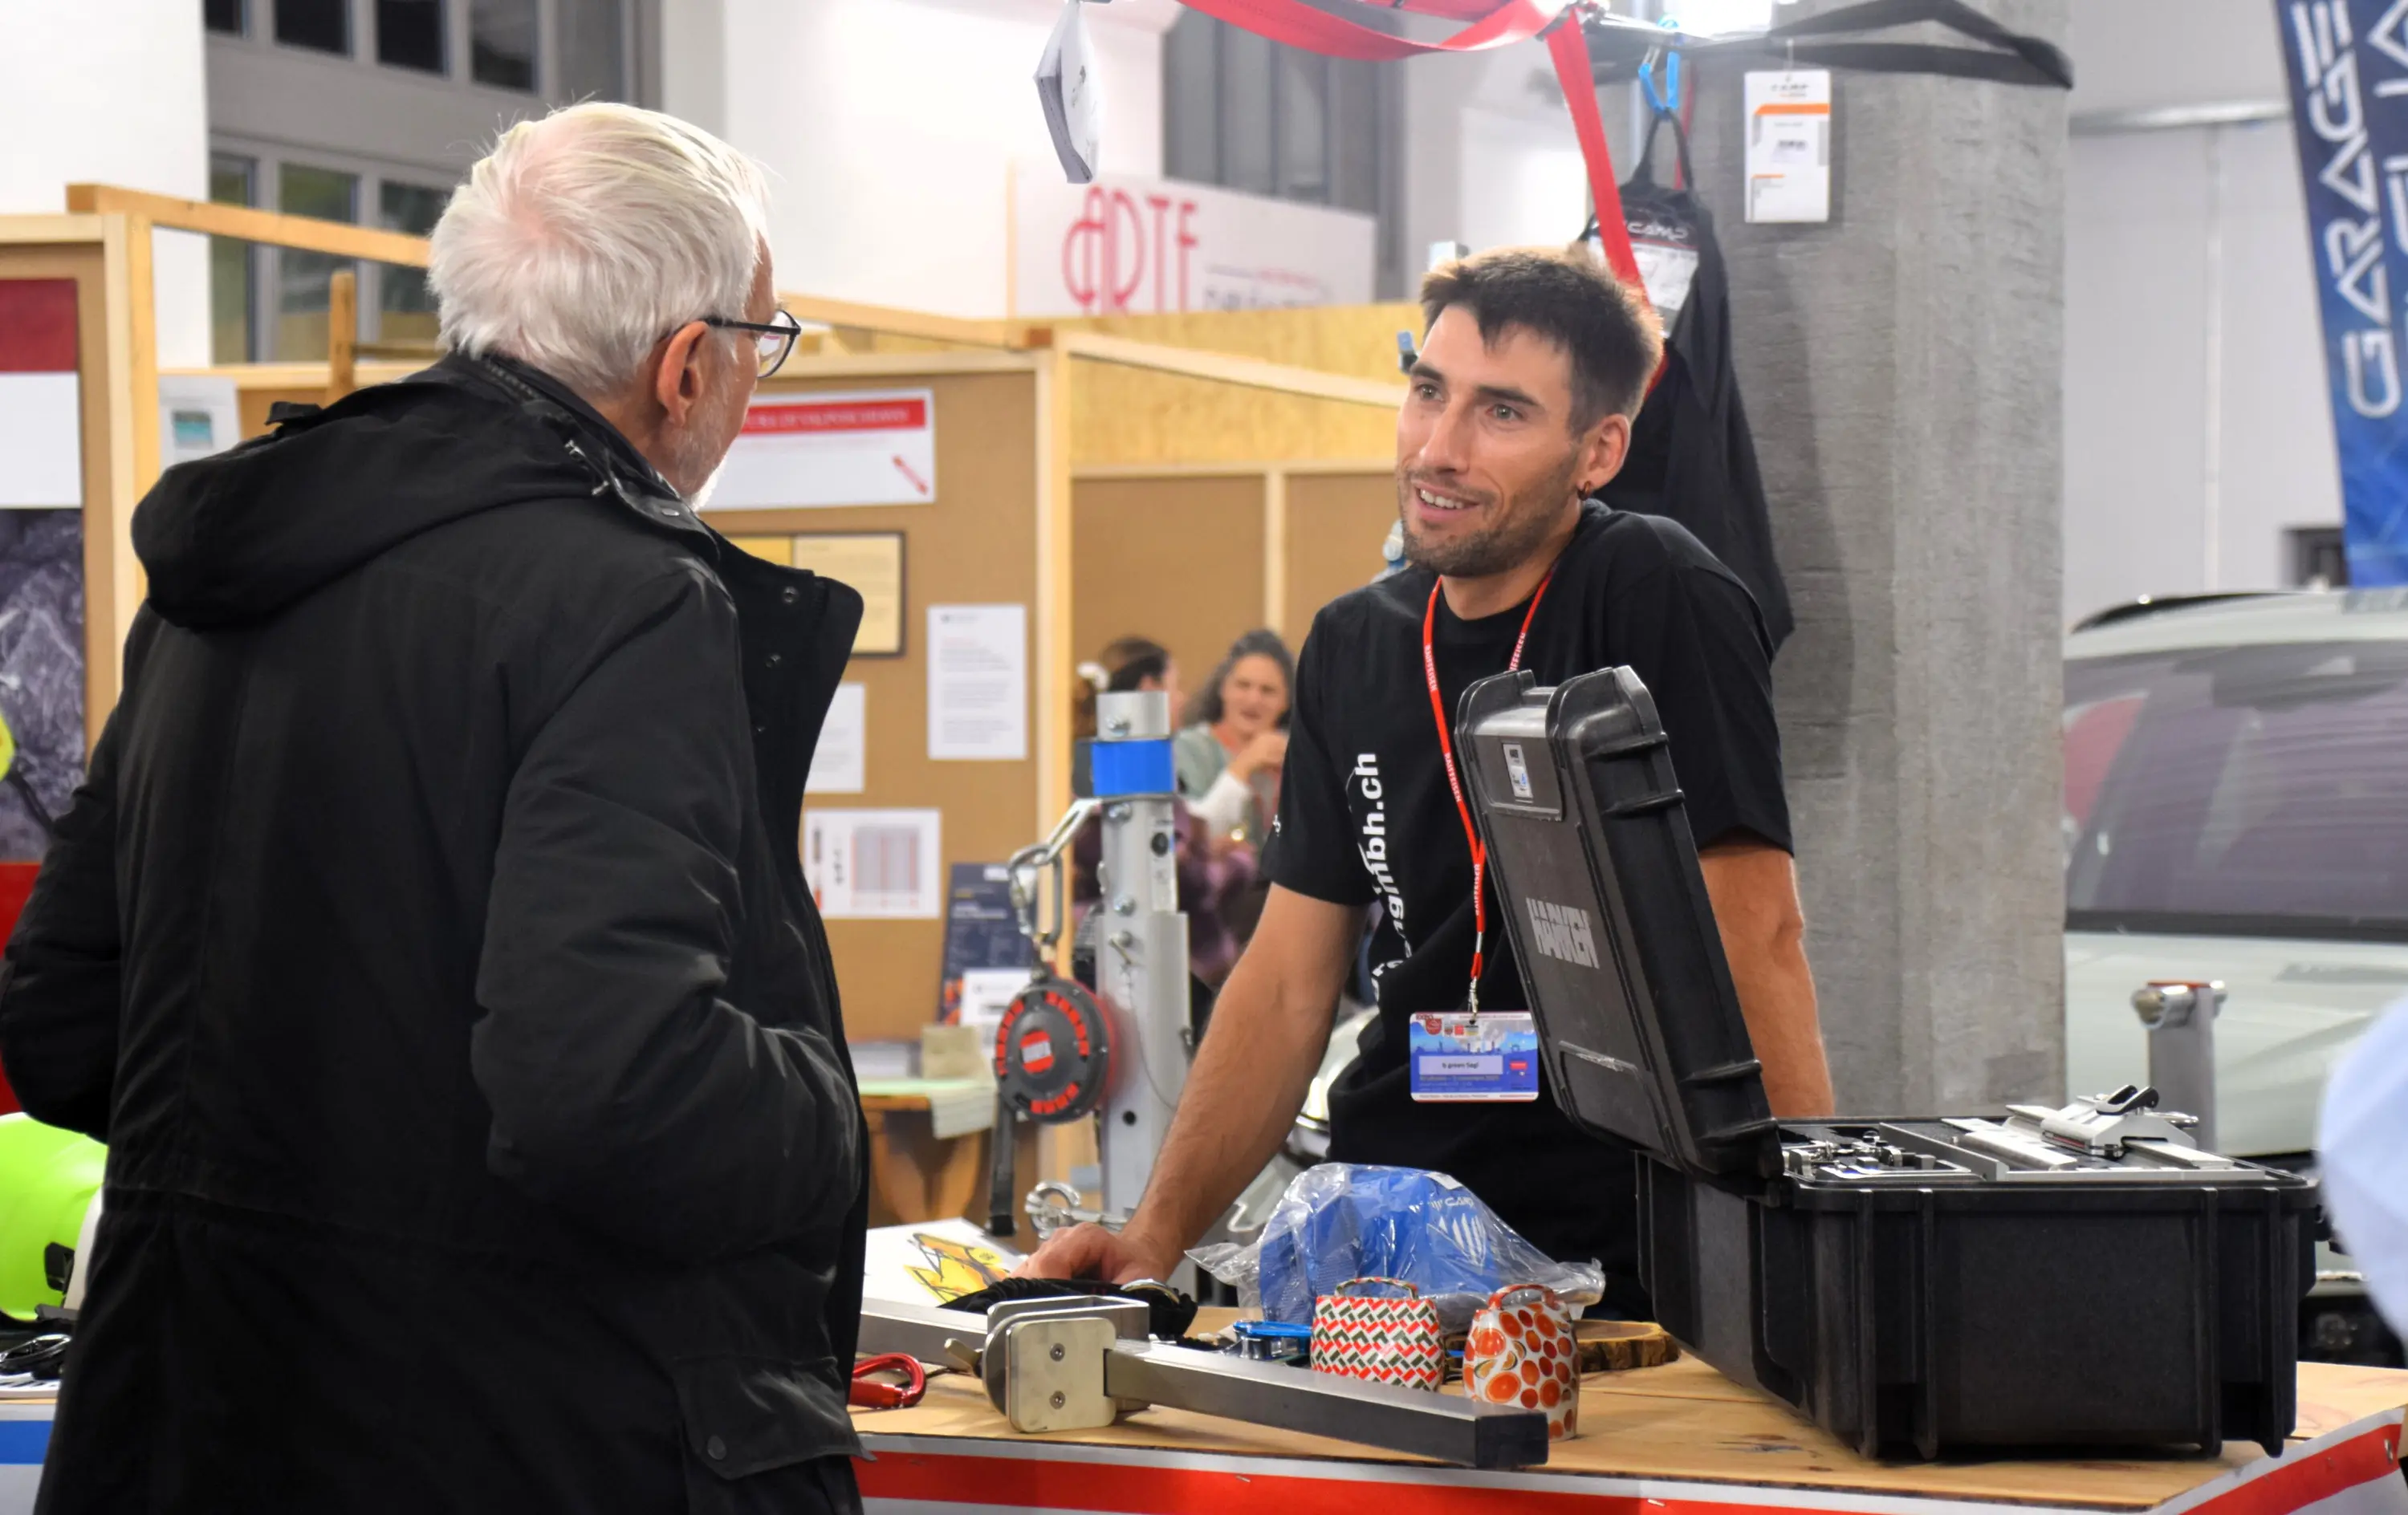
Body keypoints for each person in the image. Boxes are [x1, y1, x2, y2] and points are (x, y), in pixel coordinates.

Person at [0, 104, 867, 1513]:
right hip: (504, 1436)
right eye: (763, 345)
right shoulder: (625, 597)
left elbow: (64, 1024)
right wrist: (823, 1112)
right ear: (686, 365)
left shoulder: (224, 580)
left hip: (181, 1432)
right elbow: (607, 1083)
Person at [1026, 247, 1834, 1316]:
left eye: (1501, 413)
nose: (1438, 449)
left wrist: (1817, 1249)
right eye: (1426, 393)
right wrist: (1154, 1236)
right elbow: (1284, 979)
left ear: (1596, 451)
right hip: (1380, 1232)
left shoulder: (1657, 591)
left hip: (1617, 1257)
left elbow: (1757, 932)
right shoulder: (1354, 645)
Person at [1173, 629, 1294, 850]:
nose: (1253, 699)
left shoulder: (1299, 754)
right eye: (1243, 685)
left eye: (1268, 691)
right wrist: (1244, 765)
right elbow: (1189, 838)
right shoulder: (1189, 747)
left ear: (1286, 701)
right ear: (1223, 689)